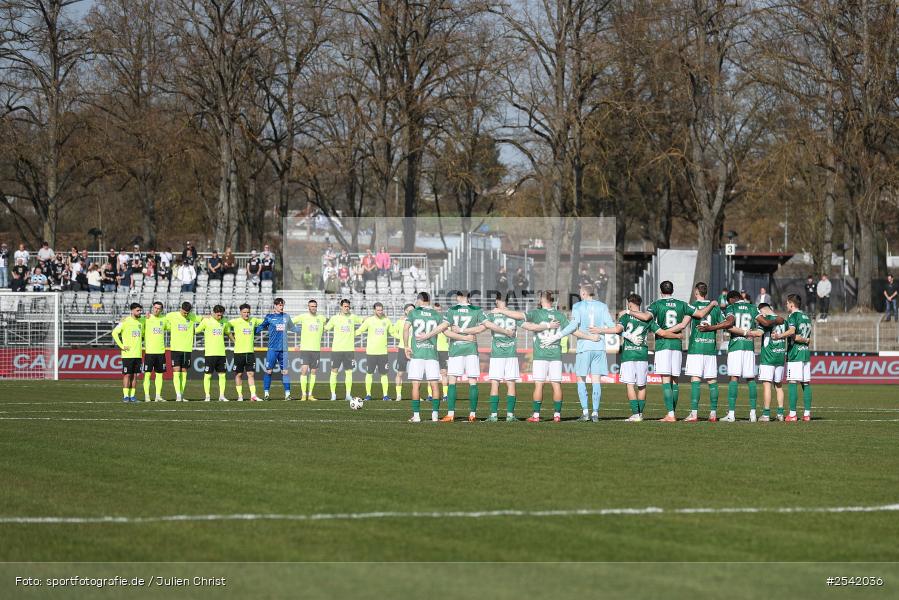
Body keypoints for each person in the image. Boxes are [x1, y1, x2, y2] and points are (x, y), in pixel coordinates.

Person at [645, 281, 718, 421]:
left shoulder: (655, 304)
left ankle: (671, 414)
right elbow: (700, 314)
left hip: (662, 345)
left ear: (661, 291)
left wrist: (662, 331)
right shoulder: (683, 304)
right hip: (677, 346)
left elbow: (647, 318)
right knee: (675, 381)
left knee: (666, 380)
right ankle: (673, 413)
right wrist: (712, 304)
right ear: (673, 290)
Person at [542, 284, 613, 422]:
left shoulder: (578, 306)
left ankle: (586, 412)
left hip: (584, 348)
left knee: (581, 378)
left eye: (581, 292)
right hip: (599, 347)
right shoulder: (603, 306)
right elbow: (611, 326)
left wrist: (557, 336)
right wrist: (600, 331)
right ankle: (595, 413)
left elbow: (573, 326)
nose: (580, 294)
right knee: (596, 380)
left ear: (585, 293)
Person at [615, 293, 683, 422]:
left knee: (630, 385)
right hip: (643, 355)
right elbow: (662, 333)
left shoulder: (625, 316)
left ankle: (636, 414)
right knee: (642, 386)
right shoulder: (647, 319)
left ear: (629, 303)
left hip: (629, 354)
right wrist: (677, 336)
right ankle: (639, 414)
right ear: (639, 304)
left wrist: (601, 330)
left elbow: (617, 330)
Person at [698, 290, 763, 422]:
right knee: (750, 379)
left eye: (728, 301)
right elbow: (764, 321)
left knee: (734, 378)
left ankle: (731, 414)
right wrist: (754, 332)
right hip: (749, 346)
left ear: (732, 299)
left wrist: (711, 328)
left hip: (736, 346)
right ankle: (753, 414)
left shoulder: (731, 307)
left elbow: (729, 323)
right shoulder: (753, 307)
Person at [427, 291, 487, 422]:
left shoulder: (452, 310)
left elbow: (446, 331)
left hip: (456, 349)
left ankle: (451, 414)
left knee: (452, 381)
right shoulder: (477, 310)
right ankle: (472, 414)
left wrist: (459, 332)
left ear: (459, 297)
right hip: (471, 349)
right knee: (472, 382)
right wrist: (466, 334)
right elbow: (483, 328)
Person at [520, 291, 568, 422]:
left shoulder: (536, 313)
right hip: (556, 354)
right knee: (556, 385)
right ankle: (557, 415)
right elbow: (570, 329)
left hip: (540, 355)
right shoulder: (560, 315)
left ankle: (536, 416)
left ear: (542, 300)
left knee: (539, 385)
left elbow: (521, 318)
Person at [479, 292, 523, 421]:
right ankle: (510, 415)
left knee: (495, 384)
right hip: (511, 354)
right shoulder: (514, 315)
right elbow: (528, 325)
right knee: (511, 384)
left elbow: (481, 328)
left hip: (497, 354)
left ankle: (493, 415)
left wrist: (464, 332)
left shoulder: (492, 315)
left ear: (497, 300)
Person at [683, 282, 724, 422]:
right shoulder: (716, 309)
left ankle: (694, 414)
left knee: (695, 379)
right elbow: (724, 324)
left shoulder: (692, 306)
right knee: (712, 380)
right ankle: (713, 414)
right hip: (710, 348)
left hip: (696, 348)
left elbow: (684, 324)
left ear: (696, 292)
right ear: (706, 292)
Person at [403, 292, 443, 423]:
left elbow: (406, 329)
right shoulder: (436, 314)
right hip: (432, 354)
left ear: (420, 300)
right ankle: (435, 415)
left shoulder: (413, 313)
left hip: (417, 354)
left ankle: (416, 416)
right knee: (435, 385)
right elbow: (445, 330)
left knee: (416, 385)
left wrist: (406, 346)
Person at [775, 294, 813, 421]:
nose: (786, 305)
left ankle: (792, 414)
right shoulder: (807, 317)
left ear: (792, 304)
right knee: (806, 383)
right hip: (805, 353)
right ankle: (807, 414)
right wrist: (806, 339)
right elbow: (806, 338)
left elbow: (792, 332)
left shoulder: (793, 316)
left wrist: (779, 336)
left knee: (792, 382)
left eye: (787, 303)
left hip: (795, 353)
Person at [255, 298, 299, 401]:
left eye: (282, 305)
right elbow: (261, 327)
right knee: (269, 371)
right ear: (275, 305)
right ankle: (266, 394)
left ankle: (287, 394)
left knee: (285, 372)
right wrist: (251, 332)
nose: (281, 307)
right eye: (279, 305)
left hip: (284, 350)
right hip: (272, 349)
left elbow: (293, 328)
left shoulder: (286, 317)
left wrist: (304, 330)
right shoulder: (269, 317)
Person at [324, 298, 363, 401]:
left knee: (349, 372)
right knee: (334, 371)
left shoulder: (353, 317)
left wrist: (356, 332)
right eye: (345, 306)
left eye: (348, 307)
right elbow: (326, 328)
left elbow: (364, 321)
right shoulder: (334, 318)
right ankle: (333, 394)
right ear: (341, 307)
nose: (347, 308)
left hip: (349, 349)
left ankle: (348, 395)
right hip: (337, 349)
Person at [356, 302, 393, 402]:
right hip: (371, 352)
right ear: (374, 310)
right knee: (369, 373)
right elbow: (359, 330)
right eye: (378, 310)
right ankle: (368, 395)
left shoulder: (387, 320)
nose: (380, 312)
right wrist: (349, 336)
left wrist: (403, 337)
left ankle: (385, 395)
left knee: (384, 374)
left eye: (381, 310)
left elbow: (393, 332)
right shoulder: (369, 321)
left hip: (383, 352)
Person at [756, 303, 786, 422]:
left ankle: (766, 414)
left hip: (768, 357)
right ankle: (780, 414)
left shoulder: (766, 320)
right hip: (780, 356)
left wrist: (746, 333)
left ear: (762, 311)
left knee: (767, 385)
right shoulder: (783, 320)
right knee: (778, 386)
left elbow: (758, 333)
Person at [166, 301, 200, 402]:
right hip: (176, 348)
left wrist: (208, 317)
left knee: (184, 371)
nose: (185, 314)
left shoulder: (192, 316)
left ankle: (181, 393)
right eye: (184, 312)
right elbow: (160, 318)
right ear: (181, 309)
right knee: (176, 371)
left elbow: (203, 319)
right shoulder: (172, 315)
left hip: (187, 349)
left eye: (187, 313)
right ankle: (178, 395)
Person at [196, 305, 232, 402]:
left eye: (221, 315)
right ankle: (207, 396)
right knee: (208, 375)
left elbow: (228, 332)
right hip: (210, 353)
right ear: (214, 312)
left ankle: (221, 396)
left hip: (221, 353)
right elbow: (196, 330)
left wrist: (235, 341)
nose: (219, 317)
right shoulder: (206, 321)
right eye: (218, 315)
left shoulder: (224, 321)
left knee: (222, 375)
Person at [294, 299, 327, 401]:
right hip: (305, 348)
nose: (313, 308)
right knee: (304, 370)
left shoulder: (321, 318)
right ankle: (303, 394)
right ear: (308, 307)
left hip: (316, 349)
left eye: (315, 306)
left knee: (313, 372)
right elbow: (290, 322)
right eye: (311, 306)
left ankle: (310, 394)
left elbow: (327, 326)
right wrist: (297, 331)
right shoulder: (303, 317)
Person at [229, 303, 263, 402]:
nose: (246, 314)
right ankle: (240, 396)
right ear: (240, 312)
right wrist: (232, 339)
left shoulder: (254, 320)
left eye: (248, 312)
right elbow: (223, 326)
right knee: (238, 374)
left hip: (250, 352)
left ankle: (253, 395)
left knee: (251, 374)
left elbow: (265, 322)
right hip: (239, 353)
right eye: (244, 312)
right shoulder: (235, 322)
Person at [111, 303, 144, 403]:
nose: (140, 312)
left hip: (138, 353)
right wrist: (121, 346)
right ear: (132, 311)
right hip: (128, 354)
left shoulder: (142, 321)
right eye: (138, 310)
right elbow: (114, 333)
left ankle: (133, 396)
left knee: (135, 375)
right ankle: (126, 396)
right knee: (127, 375)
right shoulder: (125, 321)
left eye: (140, 310)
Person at [141, 301, 168, 402]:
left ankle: (158, 396)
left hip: (161, 351)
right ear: (152, 308)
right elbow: (135, 320)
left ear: (161, 310)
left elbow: (171, 327)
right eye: (155, 308)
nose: (156, 310)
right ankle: (147, 396)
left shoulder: (164, 319)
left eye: (159, 308)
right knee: (147, 374)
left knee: (159, 374)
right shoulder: (146, 319)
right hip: (150, 352)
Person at [390, 303, 415, 402]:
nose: (411, 312)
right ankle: (399, 395)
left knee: (416, 375)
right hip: (402, 348)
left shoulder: (417, 321)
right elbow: (392, 331)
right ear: (405, 311)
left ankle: (416, 395)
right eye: (409, 310)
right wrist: (400, 337)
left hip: (414, 349)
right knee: (400, 373)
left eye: (413, 310)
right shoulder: (400, 321)